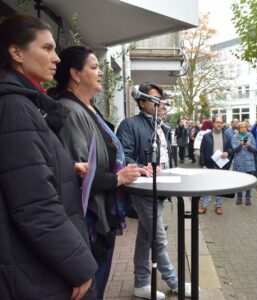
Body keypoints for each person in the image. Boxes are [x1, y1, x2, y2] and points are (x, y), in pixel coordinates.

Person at [0, 15, 97, 299]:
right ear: (16, 52)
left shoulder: (24, 104)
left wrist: (64, 168)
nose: (56, 58)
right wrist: (80, 266)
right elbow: (34, 205)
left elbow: (22, 173)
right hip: (38, 271)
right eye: (46, 48)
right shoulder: (16, 107)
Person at [48, 46, 145, 299]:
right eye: (94, 67)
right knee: (91, 290)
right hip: (89, 221)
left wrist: (131, 170)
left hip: (104, 213)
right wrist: (118, 178)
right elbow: (80, 171)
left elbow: (106, 155)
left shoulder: (88, 107)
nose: (101, 72)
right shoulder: (69, 111)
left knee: (98, 287)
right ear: (75, 74)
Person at [117, 83, 191, 299]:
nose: (160, 104)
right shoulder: (129, 124)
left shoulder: (161, 125)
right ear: (141, 102)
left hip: (160, 189)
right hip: (143, 190)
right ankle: (173, 282)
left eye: (161, 100)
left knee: (145, 236)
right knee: (159, 238)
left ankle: (141, 283)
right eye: (154, 99)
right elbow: (124, 155)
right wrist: (141, 167)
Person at [199, 116, 233, 215]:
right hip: (209, 164)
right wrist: (203, 164)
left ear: (223, 124)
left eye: (221, 122)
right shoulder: (206, 136)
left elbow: (231, 149)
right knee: (207, 186)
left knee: (220, 186)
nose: (219, 124)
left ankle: (218, 206)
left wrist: (227, 153)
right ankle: (204, 206)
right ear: (213, 123)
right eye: (217, 122)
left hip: (222, 165)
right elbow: (202, 151)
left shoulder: (227, 136)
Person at [232, 121, 257, 205]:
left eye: (244, 127)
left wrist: (250, 145)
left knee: (248, 180)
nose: (243, 129)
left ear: (247, 128)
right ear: (239, 129)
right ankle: (239, 197)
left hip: (248, 162)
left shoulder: (251, 136)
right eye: (241, 127)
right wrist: (240, 145)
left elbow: (254, 149)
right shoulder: (235, 136)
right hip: (239, 162)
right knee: (239, 181)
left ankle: (248, 197)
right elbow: (234, 150)